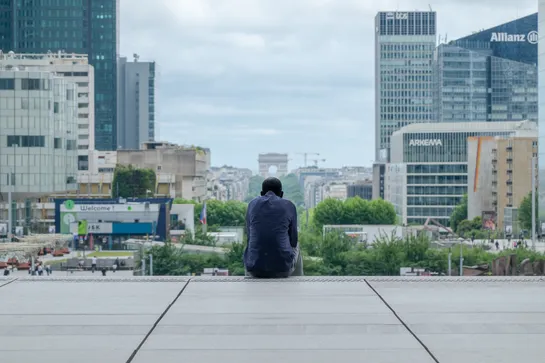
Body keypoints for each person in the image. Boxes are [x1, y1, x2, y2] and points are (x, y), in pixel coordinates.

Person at [244, 177, 303, 278]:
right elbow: (293, 240)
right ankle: (297, 280)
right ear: (281, 194)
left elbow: (249, 236)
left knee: (251, 245)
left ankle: (250, 275)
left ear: (262, 193)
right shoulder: (289, 205)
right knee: (297, 245)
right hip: (283, 269)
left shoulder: (252, 205)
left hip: (254, 269)